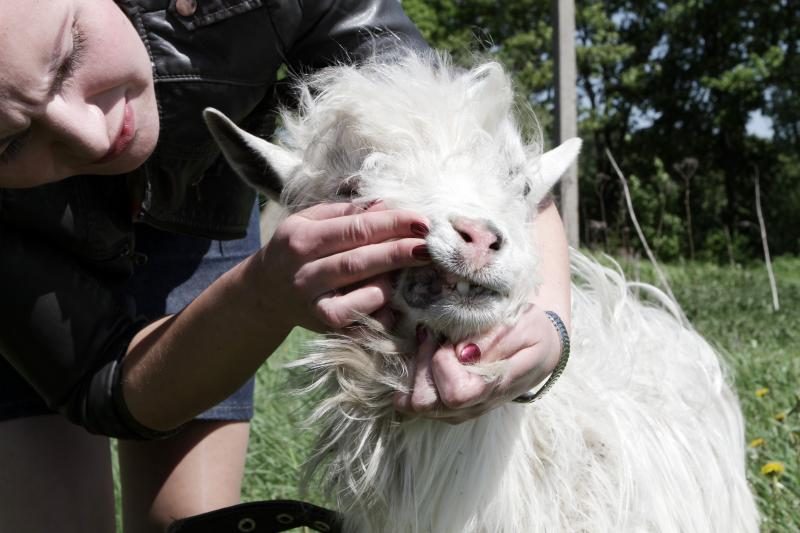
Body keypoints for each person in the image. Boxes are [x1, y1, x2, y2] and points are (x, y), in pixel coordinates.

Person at [0, 1, 572, 532]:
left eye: (69, 53)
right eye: (9, 142)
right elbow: (102, 382)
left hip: (199, 216)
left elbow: (476, 135)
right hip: (27, 256)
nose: (92, 135)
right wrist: (261, 296)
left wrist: (549, 332)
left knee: (186, 522)